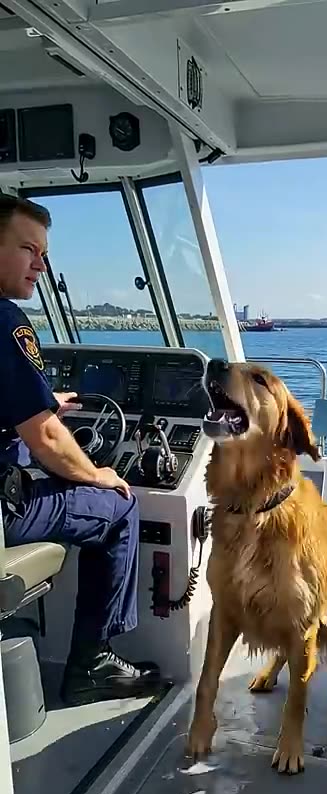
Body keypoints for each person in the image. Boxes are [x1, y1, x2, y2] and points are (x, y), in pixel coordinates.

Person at [0, 194, 161, 706]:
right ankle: (92, 662)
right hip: (3, 511)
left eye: (44, 255)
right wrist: (96, 474)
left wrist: (43, 403)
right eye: (28, 250)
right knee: (119, 506)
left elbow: (24, 411)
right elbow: (47, 437)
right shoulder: (5, 321)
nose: (40, 266)